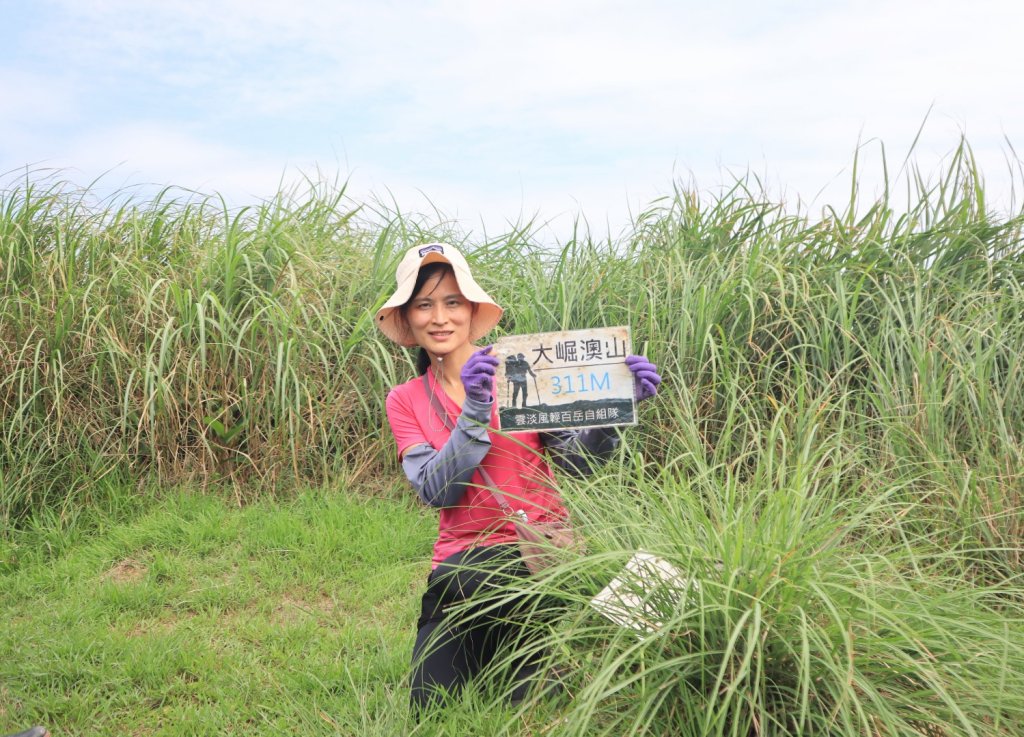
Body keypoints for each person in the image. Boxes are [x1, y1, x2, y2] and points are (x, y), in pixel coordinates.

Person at [375, 242, 661, 713]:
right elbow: (436, 490)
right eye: (425, 304)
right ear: (408, 318)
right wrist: (473, 410)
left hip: (545, 554)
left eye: (452, 302)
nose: (440, 317)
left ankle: (568, 630)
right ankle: (528, 634)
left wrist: (614, 410)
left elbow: (577, 465)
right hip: (463, 568)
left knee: (532, 708)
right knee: (428, 708)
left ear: (471, 310)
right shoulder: (406, 398)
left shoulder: (522, 369)